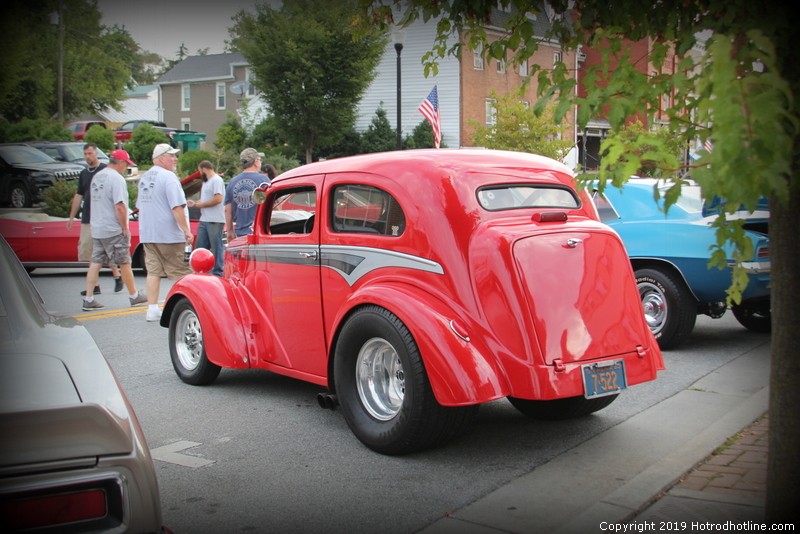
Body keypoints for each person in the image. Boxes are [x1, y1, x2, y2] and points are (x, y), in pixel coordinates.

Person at [81, 149, 148, 311]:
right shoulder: (116, 179)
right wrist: (125, 228)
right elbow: (120, 206)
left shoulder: (98, 176)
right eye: (126, 164)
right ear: (121, 162)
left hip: (97, 227)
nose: (126, 168)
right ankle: (134, 295)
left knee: (95, 262)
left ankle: (89, 297)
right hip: (113, 228)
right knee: (124, 261)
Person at [136, 143, 194, 322]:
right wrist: (186, 231)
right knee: (182, 272)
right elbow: (177, 207)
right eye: (172, 156)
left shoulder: (145, 177)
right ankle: (184, 308)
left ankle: (152, 309)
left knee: (153, 271)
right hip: (169, 234)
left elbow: (139, 206)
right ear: (161, 158)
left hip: (148, 232)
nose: (175, 159)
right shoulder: (168, 177)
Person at [66, 142, 123, 295]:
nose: (87, 157)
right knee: (91, 252)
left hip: (104, 217)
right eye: (85, 154)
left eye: (90, 153)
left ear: (96, 153)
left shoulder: (105, 170)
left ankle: (117, 275)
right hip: (88, 217)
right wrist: (71, 217)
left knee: (106, 249)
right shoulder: (84, 173)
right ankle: (95, 285)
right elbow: (79, 195)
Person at [187, 160, 225, 276]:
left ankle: (218, 271)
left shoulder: (216, 180)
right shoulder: (206, 182)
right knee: (201, 246)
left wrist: (201, 205)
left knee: (216, 246)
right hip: (204, 218)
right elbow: (206, 199)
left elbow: (218, 199)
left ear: (204, 169)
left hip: (215, 219)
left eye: (200, 171)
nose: (199, 174)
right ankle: (200, 269)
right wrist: (196, 203)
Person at [225, 148, 267, 241]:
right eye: (260, 160)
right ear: (256, 162)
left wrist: (230, 231)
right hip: (259, 233)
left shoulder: (232, 182)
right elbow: (274, 206)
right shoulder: (264, 181)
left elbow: (227, 210)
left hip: (239, 234)